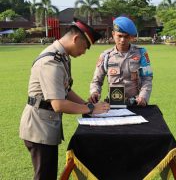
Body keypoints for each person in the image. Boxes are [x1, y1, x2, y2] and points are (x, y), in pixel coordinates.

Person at [19, 18, 110, 180]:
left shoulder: (62, 57)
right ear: (76, 39)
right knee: (44, 176)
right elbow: (59, 104)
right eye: (85, 46)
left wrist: (86, 104)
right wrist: (91, 109)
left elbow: (66, 91)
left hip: (45, 124)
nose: (84, 52)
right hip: (39, 127)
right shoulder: (51, 62)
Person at [89, 16, 153, 106]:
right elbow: (97, 81)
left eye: (126, 37)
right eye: (119, 36)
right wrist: (94, 92)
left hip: (135, 103)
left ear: (130, 37)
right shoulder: (105, 55)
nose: (122, 40)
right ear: (113, 34)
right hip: (113, 103)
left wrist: (143, 97)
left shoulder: (141, 53)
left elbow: (147, 78)